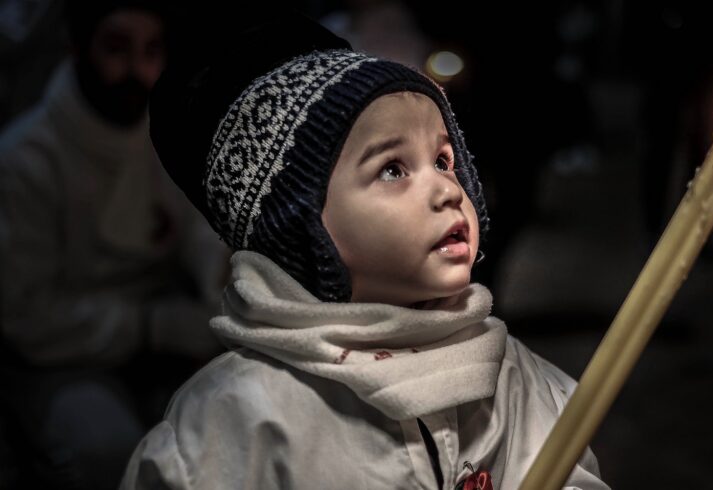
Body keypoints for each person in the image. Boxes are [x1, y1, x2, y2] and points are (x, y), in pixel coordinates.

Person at [120, 7, 608, 490]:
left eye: (443, 160)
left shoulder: (515, 378)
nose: (446, 190)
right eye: (392, 169)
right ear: (300, 224)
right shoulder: (237, 422)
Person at [0, 1, 228, 488]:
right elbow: (26, 316)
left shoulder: (163, 129)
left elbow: (199, 231)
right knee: (105, 450)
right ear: (78, 48)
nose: (137, 70)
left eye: (151, 51)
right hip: (63, 355)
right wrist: (151, 326)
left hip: (163, 333)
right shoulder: (26, 160)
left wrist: (223, 288)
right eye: (117, 48)